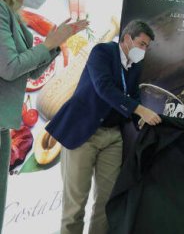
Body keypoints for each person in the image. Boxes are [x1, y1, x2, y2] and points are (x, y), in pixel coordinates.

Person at [46, 19, 162, 234]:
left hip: (113, 137)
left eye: (147, 47)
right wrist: (140, 110)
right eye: (142, 44)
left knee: (107, 204)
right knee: (75, 206)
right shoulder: (102, 52)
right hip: (82, 133)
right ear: (127, 38)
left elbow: (134, 95)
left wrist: (143, 118)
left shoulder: (136, 65)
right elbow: (104, 88)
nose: (144, 50)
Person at [0, 0, 89, 232]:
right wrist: (51, 42)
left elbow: (30, 72)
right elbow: (9, 67)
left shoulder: (13, 15)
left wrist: (56, 42)